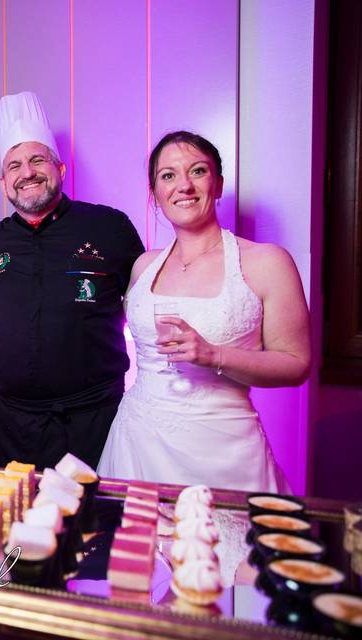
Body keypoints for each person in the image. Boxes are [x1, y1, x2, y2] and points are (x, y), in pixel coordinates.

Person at [97, 131, 310, 492]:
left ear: (218, 183)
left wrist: (215, 354)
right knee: (130, 545)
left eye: (197, 171)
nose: (184, 185)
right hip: (137, 443)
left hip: (223, 449)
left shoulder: (266, 262)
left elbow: (296, 363)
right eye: (168, 176)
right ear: (155, 194)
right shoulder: (143, 266)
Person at [0, 92, 145, 470]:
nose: (27, 173)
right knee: (13, 524)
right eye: (15, 166)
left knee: (93, 525)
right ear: (4, 182)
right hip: (14, 423)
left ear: (61, 168)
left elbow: (146, 306)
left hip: (94, 419)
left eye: (38, 160)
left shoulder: (110, 226)